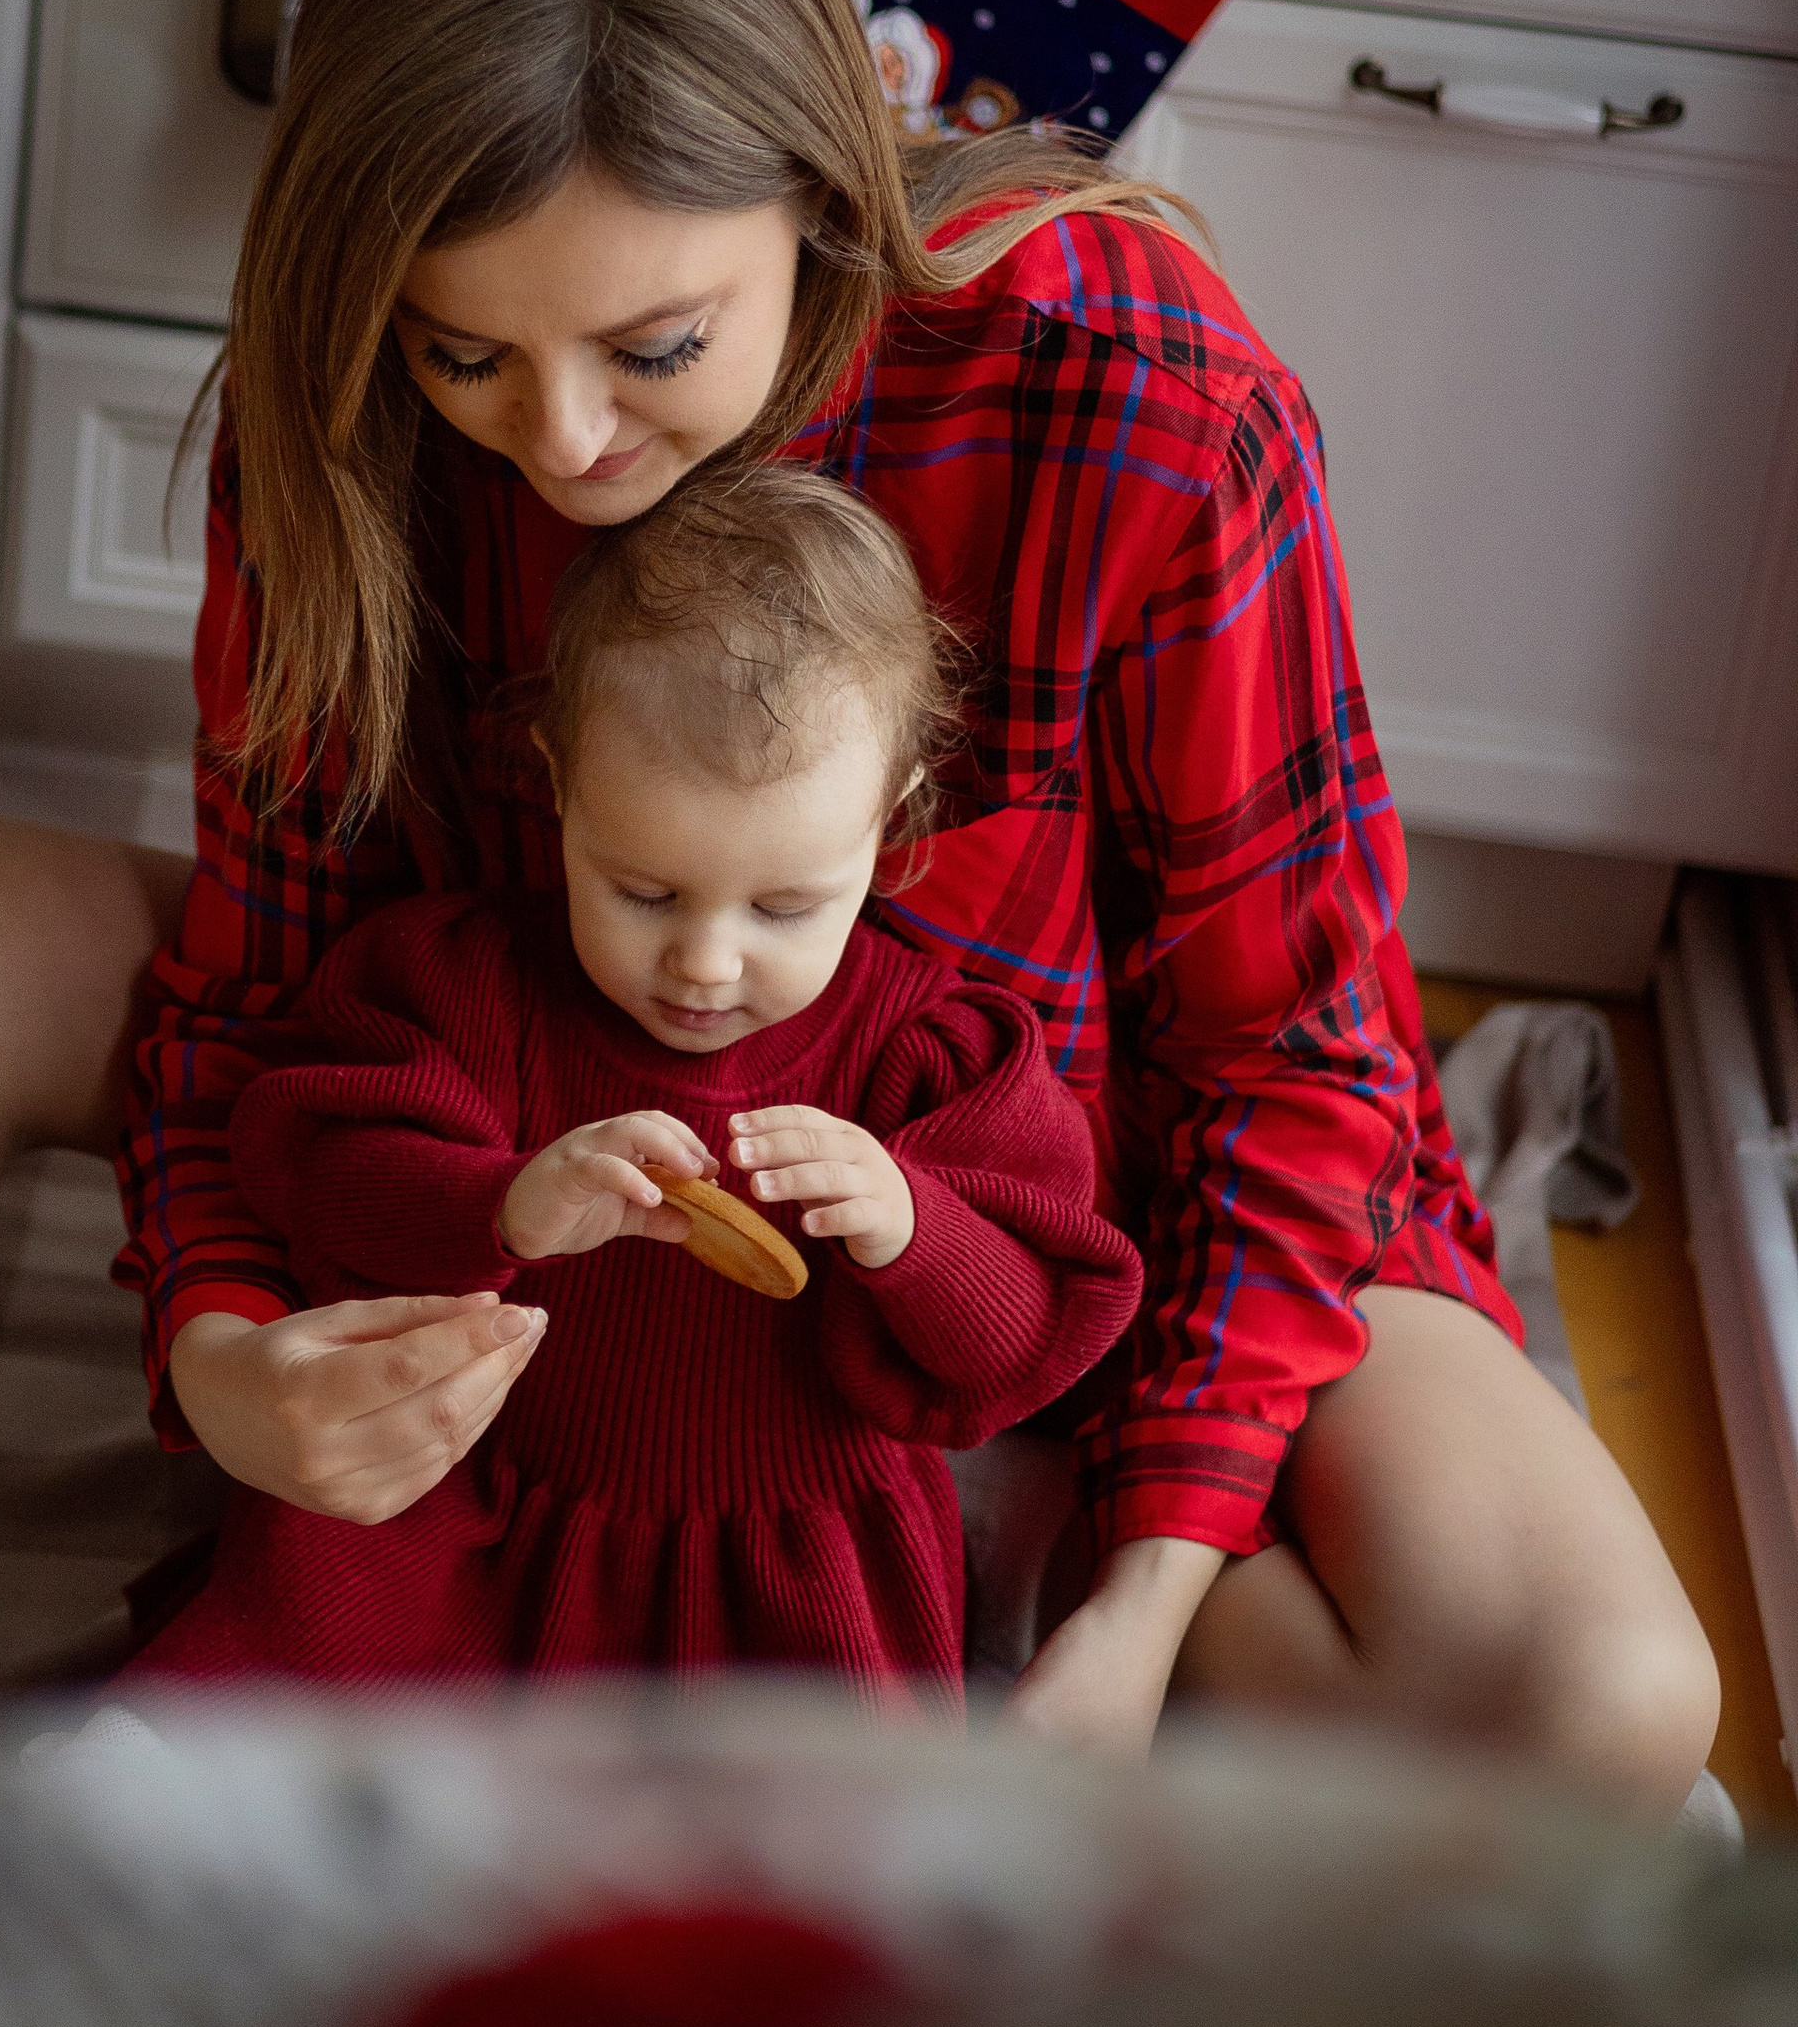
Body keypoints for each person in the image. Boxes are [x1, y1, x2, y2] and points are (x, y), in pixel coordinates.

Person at [0, 0, 1720, 1800]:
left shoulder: (1133, 389)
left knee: (1603, 1708)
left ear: (820, 179)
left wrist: (1141, 1602)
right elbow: (268, 992)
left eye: (654, 347)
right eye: (466, 357)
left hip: (1045, 1217)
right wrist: (223, 1355)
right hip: (534, 1176)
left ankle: (998, 1520)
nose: (567, 446)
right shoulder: (333, 415)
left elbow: (1288, 1058)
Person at [129, 465, 1140, 1686]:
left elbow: (1029, 1335)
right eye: (642, 891)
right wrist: (502, 1203)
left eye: (785, 904)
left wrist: (910, 1227)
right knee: (272, 1740)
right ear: (556, 787)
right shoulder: (461, 986)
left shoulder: (932, 1058)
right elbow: (321, 1185)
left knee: (784, 1852)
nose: (706, 963)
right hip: (468, 1530)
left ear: (893, 820)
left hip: (786, 1583)